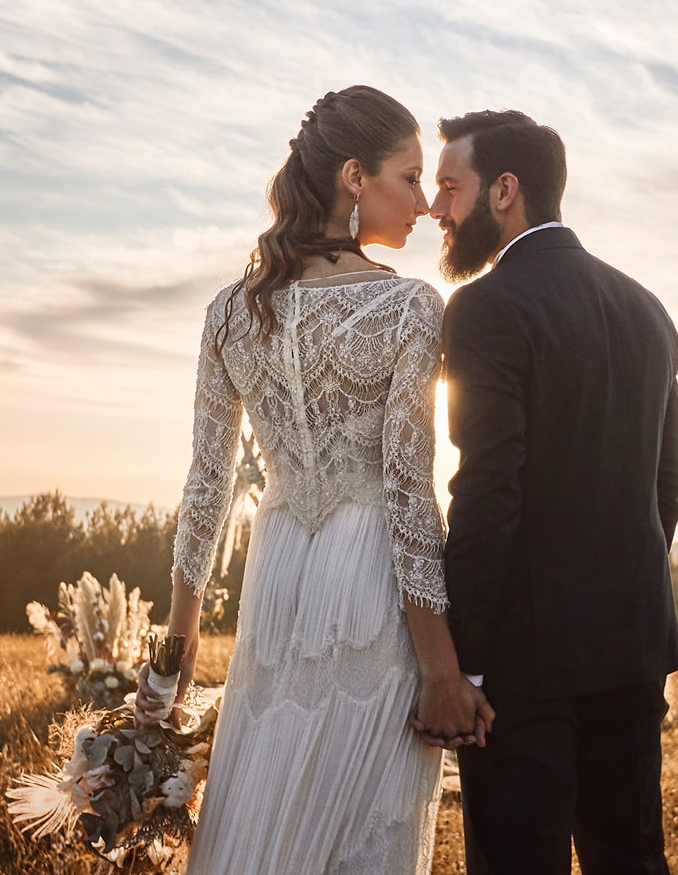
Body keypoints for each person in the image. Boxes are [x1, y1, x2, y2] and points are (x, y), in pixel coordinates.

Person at [153, 86, 493, 874]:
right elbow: (409, 494)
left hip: (278, 583)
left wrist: (176, 651)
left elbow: (207, 488)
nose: (423, 203)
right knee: (360, 828)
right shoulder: (411, 308)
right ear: (352, 177)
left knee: (269, 816)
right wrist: (442, 671)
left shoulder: (229, 312)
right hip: (370, 591)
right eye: (408, 178)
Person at [431, 109, 678, 874]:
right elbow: (665, 486)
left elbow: (486, 495)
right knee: (632, 862)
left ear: (505, 190)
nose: (437, 209)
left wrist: (464, 664)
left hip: (524, 670)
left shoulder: (485, 309)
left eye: (451, 186)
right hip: (632, 651)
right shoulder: (648, 309)